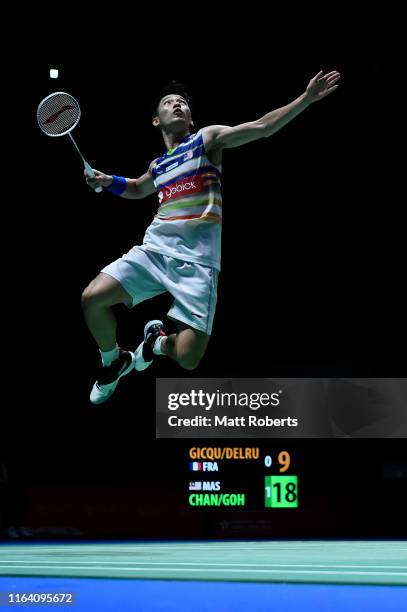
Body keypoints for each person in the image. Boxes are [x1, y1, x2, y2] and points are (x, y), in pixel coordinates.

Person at [82, 70, 341, 404]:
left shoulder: (206, 140)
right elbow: (136, 188)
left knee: (188, 358)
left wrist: (305, 98)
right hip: (156, 250)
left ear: (190, 118)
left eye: (182, 103)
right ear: (156, 121)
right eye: (168, 102)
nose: (176, 104)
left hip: (199, 263)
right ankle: (113, 360)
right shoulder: (158, 165)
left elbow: (262, 127)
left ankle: (155, 343)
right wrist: (108, 180)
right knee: (93, 298)